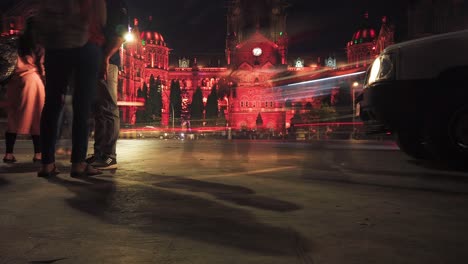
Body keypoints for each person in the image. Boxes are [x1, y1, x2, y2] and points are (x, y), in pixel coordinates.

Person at [37, 0, 106, 177]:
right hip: (85, 44)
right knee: (82, 106)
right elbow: (101, 17)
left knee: (52, 104)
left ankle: (47, 164)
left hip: (55, 45)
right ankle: (78, 163)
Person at [87, 0, 128, 170]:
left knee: (109, 109)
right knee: (99, 110)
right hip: (96, 60)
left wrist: (106, 58)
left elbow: (119, 37)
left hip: (107, 62)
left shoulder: (116, 7)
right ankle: (99, 153)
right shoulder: (101, 5)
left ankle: (110, 156)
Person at [3, 17, 45, 164]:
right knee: (36, 119)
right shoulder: (38, 43)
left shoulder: (16, 41)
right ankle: (38, 154)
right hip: (33, 82)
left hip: (14, 83)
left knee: (13, 118)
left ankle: (9, 154)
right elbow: (42, 67)